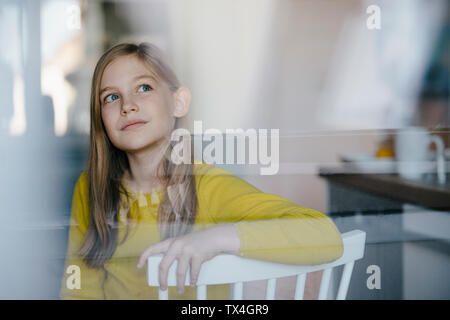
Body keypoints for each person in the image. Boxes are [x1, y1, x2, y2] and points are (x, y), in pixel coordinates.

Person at [60, 42, 343, 300]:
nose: (128, 106)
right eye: (111, 97)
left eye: (144, 88)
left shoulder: (208, 185)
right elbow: (81, 290)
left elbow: (325, 236)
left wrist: (217, 237)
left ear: (178, 102)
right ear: (100, 117)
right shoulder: (91, 188)